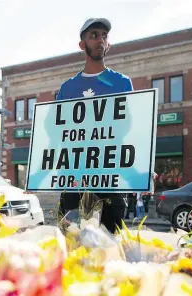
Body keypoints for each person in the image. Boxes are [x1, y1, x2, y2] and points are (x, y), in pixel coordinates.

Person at [57, 18, 133, 233]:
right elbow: (59, 134)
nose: (100, 39)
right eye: (94, 35)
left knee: (112, 241)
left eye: (104, 36)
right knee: (71, 240)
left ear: (108, 44)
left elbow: (131, 127)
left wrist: (142, 167)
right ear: (82, 45)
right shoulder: (68, 88)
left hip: (111, 173)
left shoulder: (122, 83)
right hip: (75, 177)